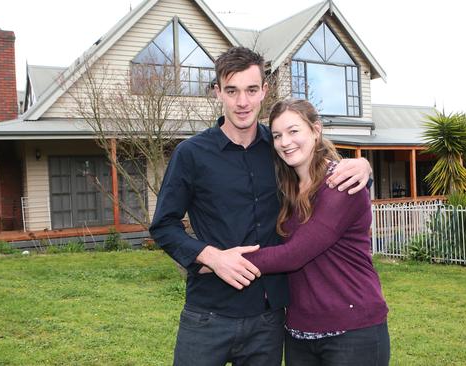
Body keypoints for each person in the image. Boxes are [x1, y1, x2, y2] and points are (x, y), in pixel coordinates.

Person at [149, 47, 372, 366]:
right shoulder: (191, 154)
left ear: (264, 91)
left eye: (251, 90)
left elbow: (325, 180)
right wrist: (212, 257)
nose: (242, 102)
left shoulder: (281, 148)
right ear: (218, 93)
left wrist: (364, 169)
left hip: (268, 320)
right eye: (232, 91)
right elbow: (163, 226)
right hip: (207, 314)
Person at [242, 98, 390, 365]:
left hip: (351, 330)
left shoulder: (340, 184)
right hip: (300, 332)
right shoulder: (286, 190)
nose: (285, 142)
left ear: (316, 130)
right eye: (277, 135)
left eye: (293, 131)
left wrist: (222, 261)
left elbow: (294, 254)